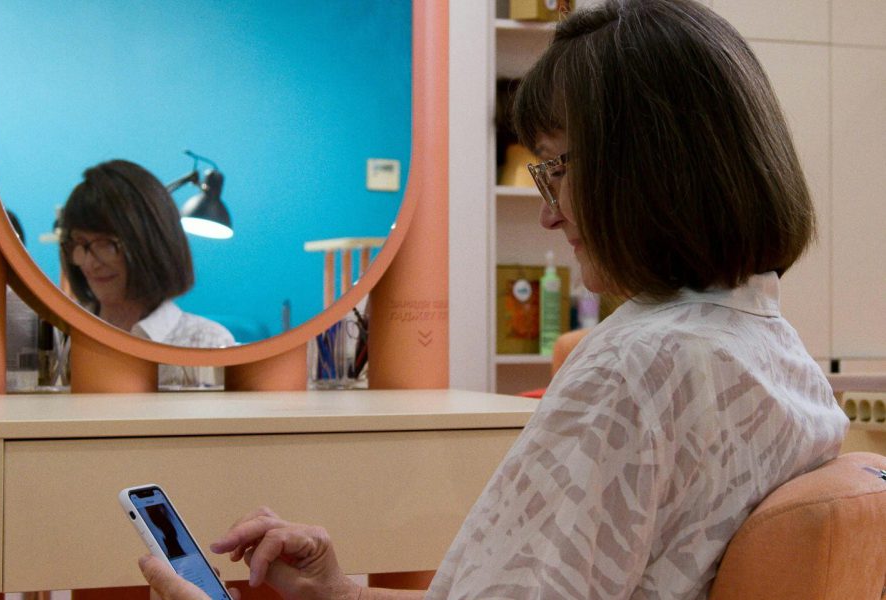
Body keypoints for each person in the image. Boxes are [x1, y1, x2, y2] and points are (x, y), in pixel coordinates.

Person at [139, 0, 849, 598]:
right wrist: (342, 590)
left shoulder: (634, 373)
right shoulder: (776, 357)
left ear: (643, 166)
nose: (549, 213)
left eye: (557, 169)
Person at [60, 159, 235, 387]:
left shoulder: (207, 343)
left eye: (106, 244)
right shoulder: (63, 337)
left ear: (150, 244)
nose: (91, 263)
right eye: (80, 243)